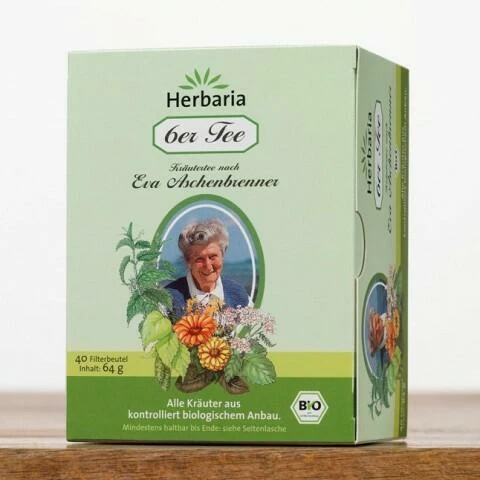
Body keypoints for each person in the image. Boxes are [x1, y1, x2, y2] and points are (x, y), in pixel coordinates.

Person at [166, 219, 250, 319]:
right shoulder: (168, 298)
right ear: (188, 261)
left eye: (212, 257)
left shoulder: (238, 293)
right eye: (199, 259)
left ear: (222, 256)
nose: (208, 266)